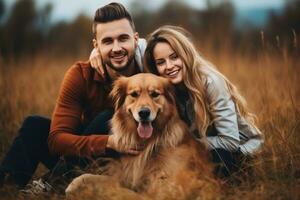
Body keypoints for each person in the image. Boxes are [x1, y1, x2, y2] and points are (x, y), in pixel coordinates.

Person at [0, 2, 147, 192]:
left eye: (123, 39)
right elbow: (56, 140)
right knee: (33, 126)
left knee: (109, 117)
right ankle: (8, 187)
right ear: (96, 45)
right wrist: (108, 142)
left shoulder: (149, 71)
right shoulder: (81, 74)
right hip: (88, 155)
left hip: (129, 159)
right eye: (107, 41)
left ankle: (50, 184)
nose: (117, 48)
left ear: (136, 40)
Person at [142, 25, 264, 178]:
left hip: (238, 150)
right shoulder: (167, 89)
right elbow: (137, 47)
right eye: (161, 62)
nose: (169, 66)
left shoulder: (211, 82)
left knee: (217, 159)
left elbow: (230, 142)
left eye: (174, 57)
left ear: (185, 54)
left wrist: (187, 145)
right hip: (201, 148)